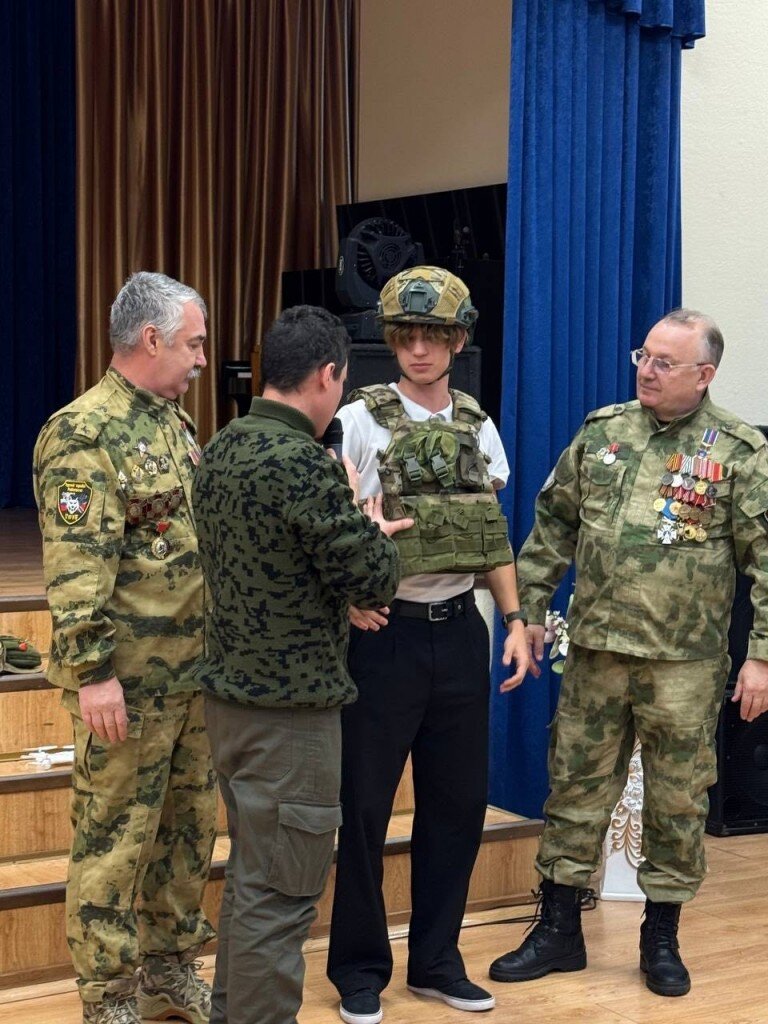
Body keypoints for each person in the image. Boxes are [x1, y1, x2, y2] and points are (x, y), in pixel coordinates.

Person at [489, 309, 768, 997]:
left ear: (704, 374)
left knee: (677, 801)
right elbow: (552, 527)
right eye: (643, 356)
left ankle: (661, 937)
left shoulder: (739, 451)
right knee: (575, 786)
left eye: (665, 362)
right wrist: (527, 612)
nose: (647, 370)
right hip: (597, 653)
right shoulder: (603, 432)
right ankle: (559, 929)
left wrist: (761, 655)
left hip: (684, 663)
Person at [192, 305, 411, 1024]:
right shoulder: (304, 464)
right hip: (290, 719)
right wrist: (366, 521)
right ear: (327, 375)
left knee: (255, 884)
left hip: (231, 706)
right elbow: (373, 580)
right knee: (282, 897)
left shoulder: (222, 446)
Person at [326, 266, 530, 1024]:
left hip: (459, 631)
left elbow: (490, 535)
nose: (419, 349)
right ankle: (358, 968)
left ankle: (438, 961)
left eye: (434, 336)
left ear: (458, 341)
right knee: (365, 810)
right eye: (407, 336)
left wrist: (514, 620)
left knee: (457, 806)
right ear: (391, 340)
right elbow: (329, 528)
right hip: (386, 637)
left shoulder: (479, 425)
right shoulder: (357, 420)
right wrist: (349, 595)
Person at [33, 271, 218, 1024]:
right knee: (114, 839)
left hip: (191, 676)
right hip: (127, 686)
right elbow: (76, 570)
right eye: (194, 344)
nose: (202, 359)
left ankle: (169, 970)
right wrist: (94, 674)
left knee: (187, 830)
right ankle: (108, 995)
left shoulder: (173, 421)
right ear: (151, 338)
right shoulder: (84, 432)